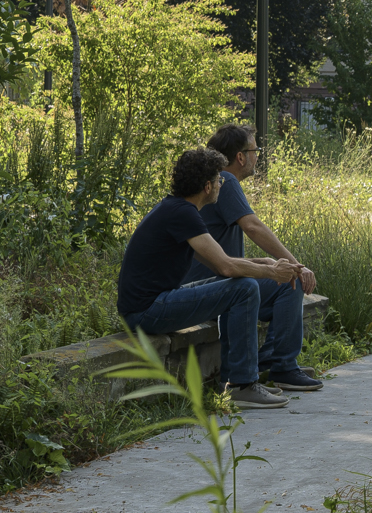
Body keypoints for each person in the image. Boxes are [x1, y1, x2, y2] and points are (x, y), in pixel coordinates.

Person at [115, 148, 300, 410]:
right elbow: (226, 267)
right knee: (245, 288)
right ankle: (241, 385)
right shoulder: (183, 213)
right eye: (218, 179)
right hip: (147, 311)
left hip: (152, 305)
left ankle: (236, 380)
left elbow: (218, 262)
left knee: (240, 285)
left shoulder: (177, 209)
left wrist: (265, 262)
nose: (221, 184)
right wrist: (272, 273)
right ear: (207, 186)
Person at [181, 124, 325, 392]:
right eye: (255, 150)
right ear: (240, 156)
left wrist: (268, 264)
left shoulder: (217, 182)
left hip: (204, 284)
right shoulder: (226, 180)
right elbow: (253, 227)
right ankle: (281, 366)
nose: (257, 156)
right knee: (289, 282)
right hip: (211, 283)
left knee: (280, 281)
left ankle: (272, 363)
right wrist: (297, 266)